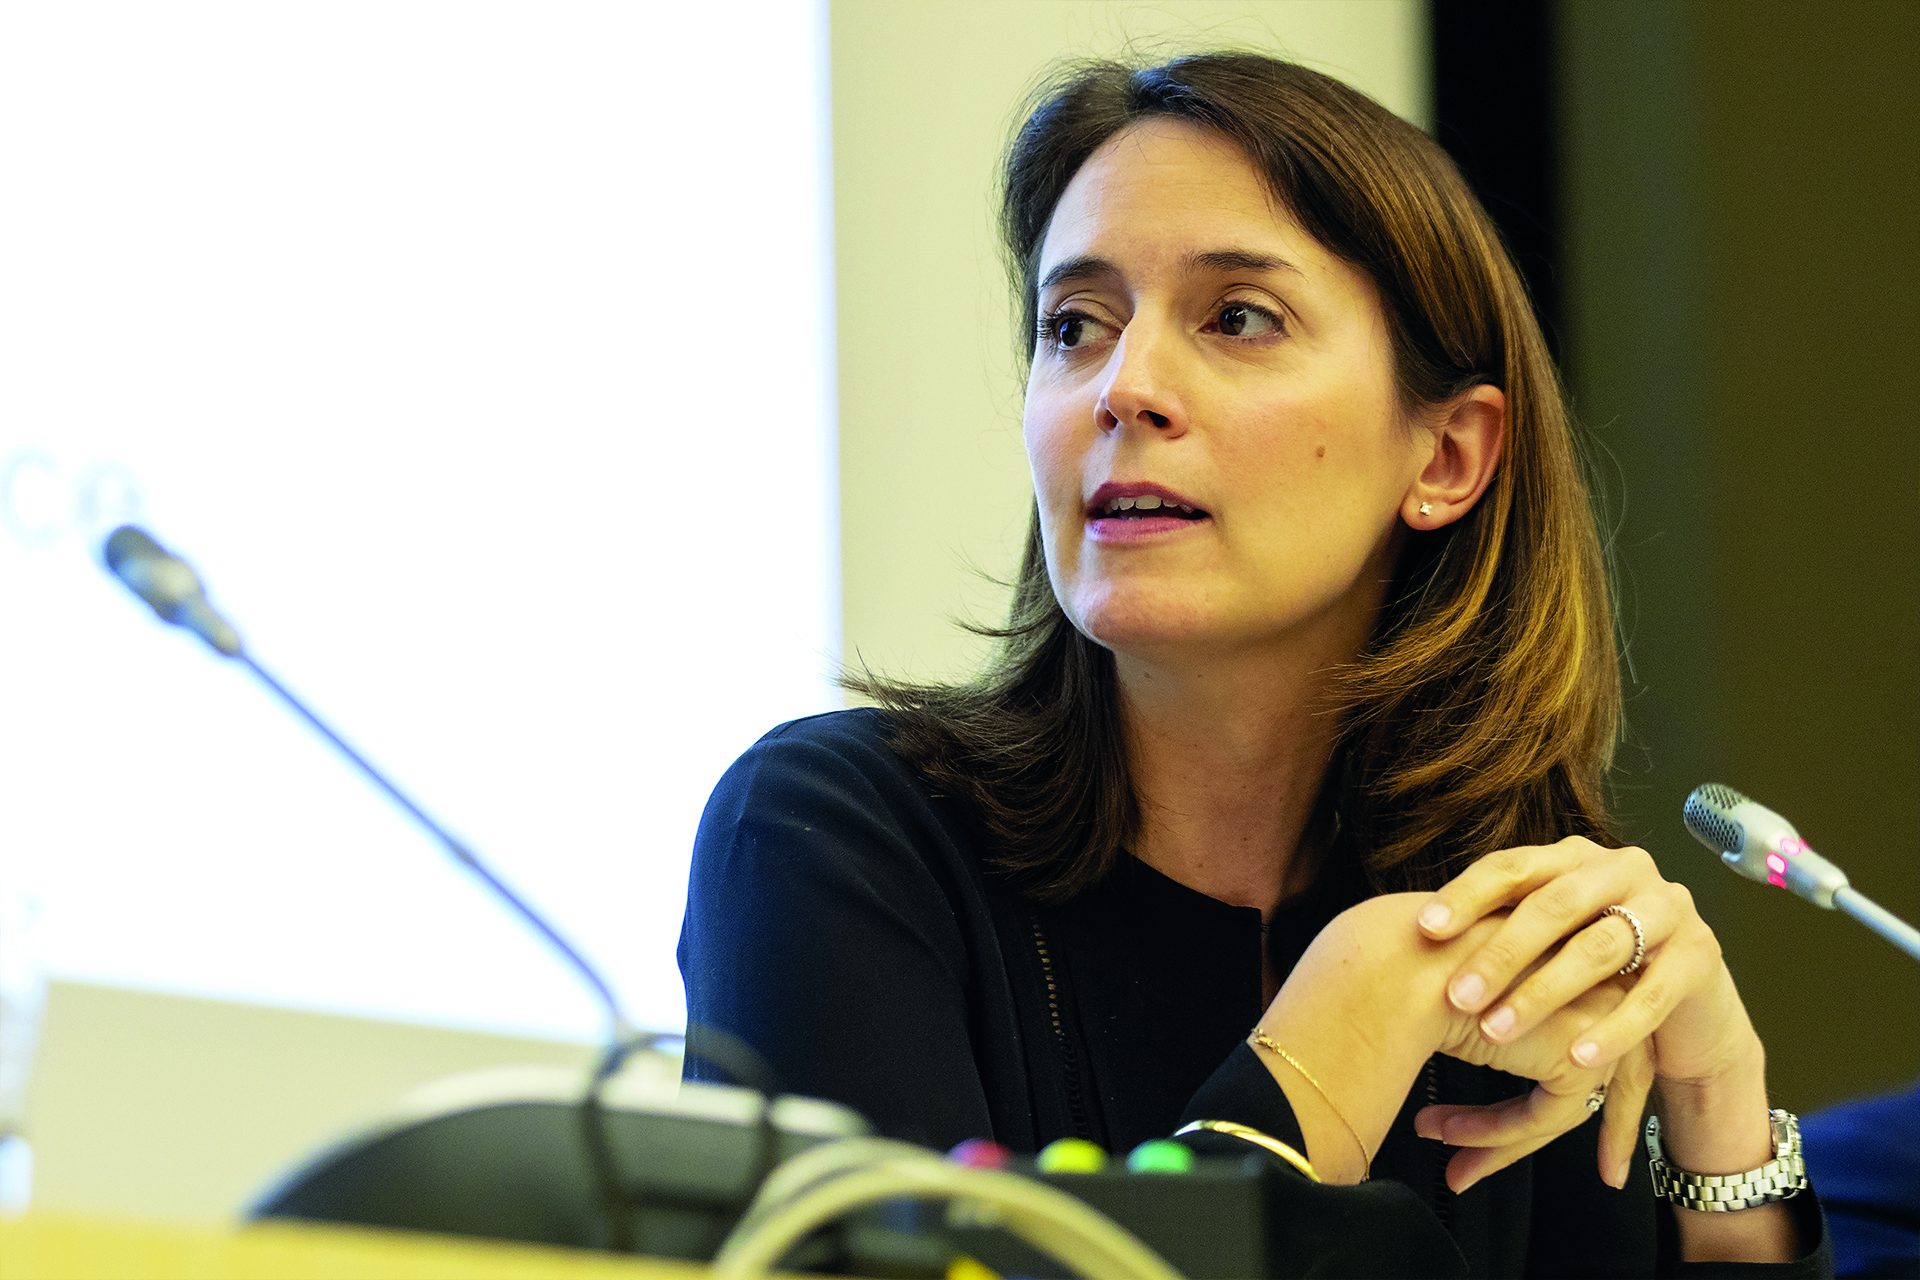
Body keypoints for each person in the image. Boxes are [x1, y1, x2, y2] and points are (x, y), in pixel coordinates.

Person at [680, 53, 1829, 1277]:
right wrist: (1343, 1031)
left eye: (1237, 317)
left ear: (1447, 455)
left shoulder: (1517, 931)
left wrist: (1719, 1113)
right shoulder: (833, 835)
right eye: (1075, 326)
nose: (1125, 387)